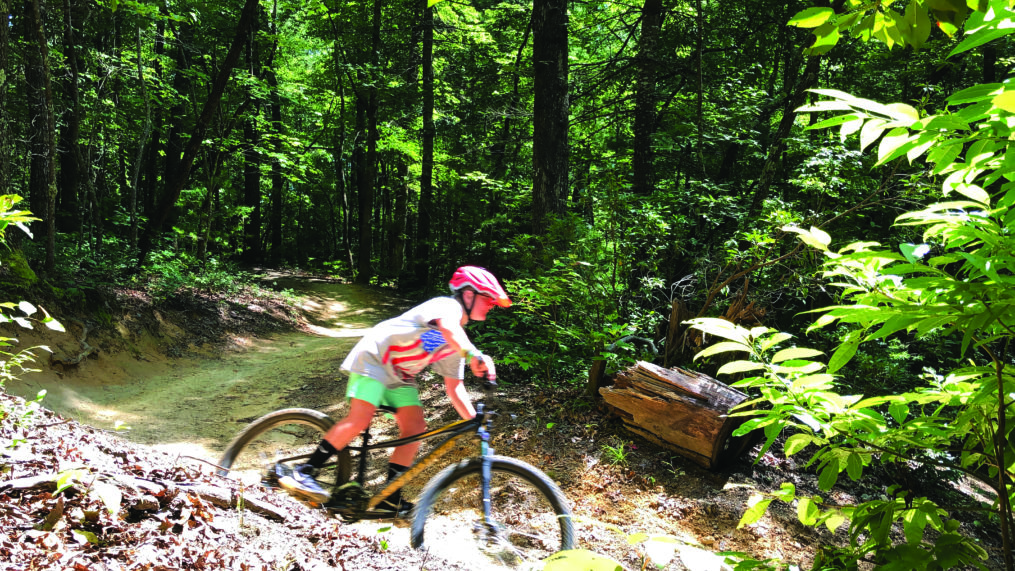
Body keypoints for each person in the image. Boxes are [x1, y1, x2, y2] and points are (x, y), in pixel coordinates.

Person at [278, 265, 511, 514]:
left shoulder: (457, 342)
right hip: (375, 358)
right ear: (468, 294)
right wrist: (473, 354)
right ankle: (304, 471)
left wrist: (474, 421)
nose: (492, 305)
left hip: (400, 376)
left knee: (415, 427)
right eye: (488, 298)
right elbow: (448, 328)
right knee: (360, 418)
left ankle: (390, 496)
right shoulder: (447, 307)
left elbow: (455, 388)